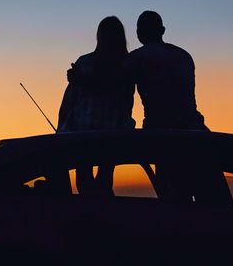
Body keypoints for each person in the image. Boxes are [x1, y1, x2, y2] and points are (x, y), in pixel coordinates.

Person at [58, 16, 135, 194]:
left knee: (85, 181)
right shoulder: (128, 64)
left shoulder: (85, 63)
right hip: (114, 134)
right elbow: (125, 99)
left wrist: (63, 128)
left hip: (84, 133)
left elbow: (70, 101)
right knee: (104, 180)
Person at [125, 11, 206, 131]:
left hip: (159, 130)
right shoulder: (183, 56)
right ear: (162, 30)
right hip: (193, 127)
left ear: (139, 33)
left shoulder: (136, 58)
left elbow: (122, 98)